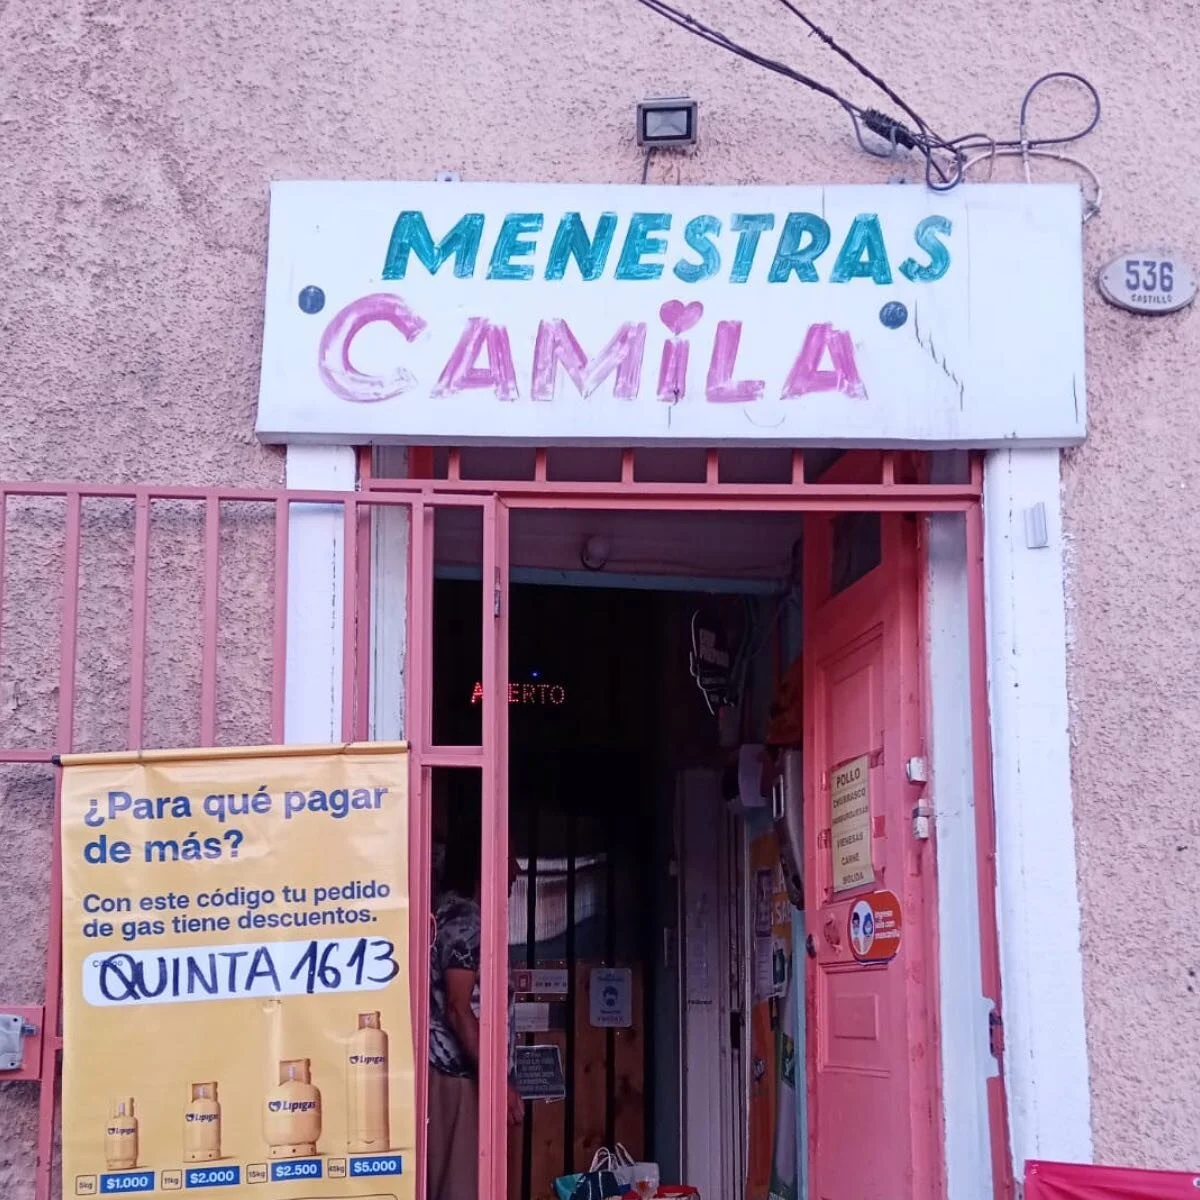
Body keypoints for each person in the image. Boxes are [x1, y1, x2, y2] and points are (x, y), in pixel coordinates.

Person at [427, 831, 523, 1200]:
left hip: (467, 1077)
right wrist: (497, 1082)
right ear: (486, 862)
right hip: (461, 1080)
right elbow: (458, 1006)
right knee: (465, 1188)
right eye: (509, 857)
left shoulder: (455, 915)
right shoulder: (464, 922)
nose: (515, 871)